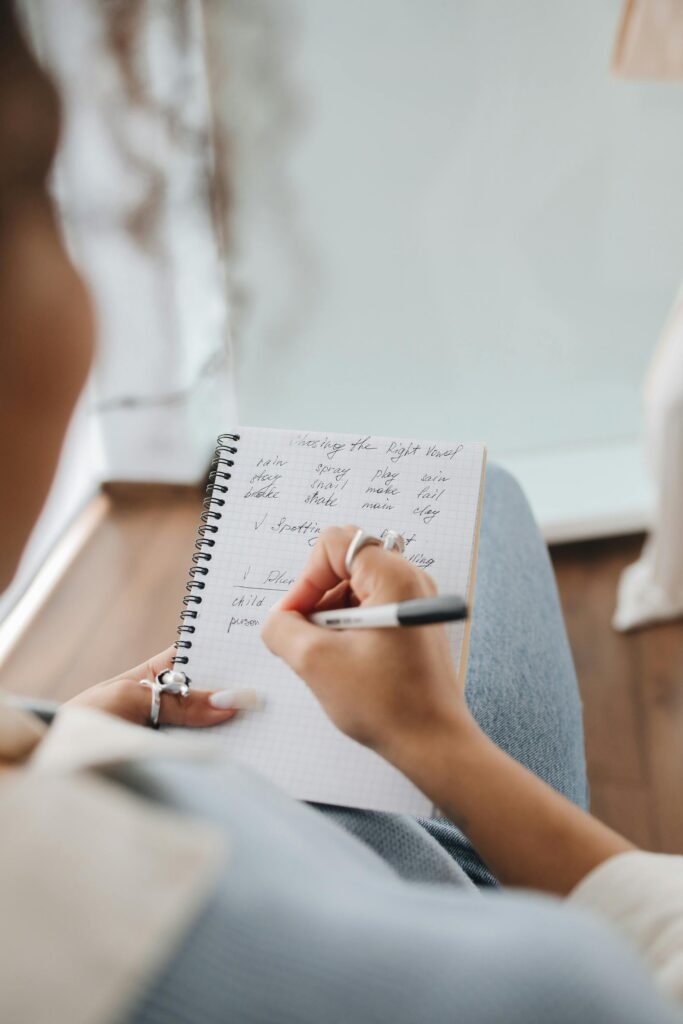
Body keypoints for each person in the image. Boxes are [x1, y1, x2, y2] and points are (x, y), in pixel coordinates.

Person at [1, 5, 683, 1022]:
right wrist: (435, 743)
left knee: (483, 497)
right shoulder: (538, 993)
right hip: (424, 896)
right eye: (43, 199)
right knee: (484, 502)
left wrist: (60, 729)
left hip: (226, 813)